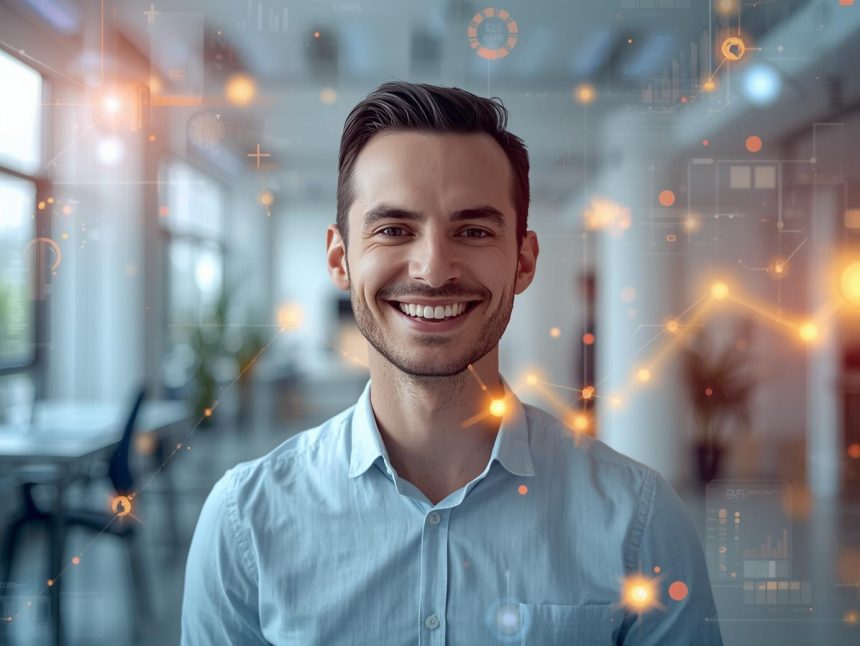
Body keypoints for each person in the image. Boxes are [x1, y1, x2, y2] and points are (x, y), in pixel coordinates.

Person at [181, 81, 723, 645]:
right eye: (394, 230)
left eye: (473, 231)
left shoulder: (639, 520)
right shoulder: (244, 521)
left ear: (523, 261)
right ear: (340, 260)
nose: (434, 269)